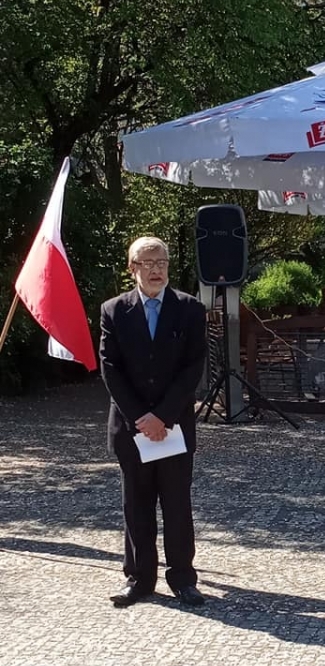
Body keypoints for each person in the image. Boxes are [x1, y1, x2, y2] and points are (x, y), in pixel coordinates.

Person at [100, 236, 207, 608]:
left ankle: (183, 579)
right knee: (136, 505)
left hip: (173, 426)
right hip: (132, 429)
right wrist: (141, 419)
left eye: (162, 261)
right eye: (148, 263)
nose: (156, 269)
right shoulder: (114, 311)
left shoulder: (190, 309)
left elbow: (193, 367)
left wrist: (162, 416)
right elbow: (110, 369)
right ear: (133, 268)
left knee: (177, 505)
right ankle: (139, 578)